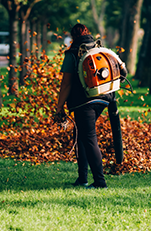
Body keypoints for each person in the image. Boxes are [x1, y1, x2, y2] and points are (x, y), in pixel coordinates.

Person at [56, 23, 114, 189]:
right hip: (104, 98)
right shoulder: (99, 48)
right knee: (80, 134)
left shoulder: (73, 53)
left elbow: (66, 84)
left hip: (85, 102)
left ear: (73, 37)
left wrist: (59, 106)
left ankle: (100, 182)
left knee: (89, 138)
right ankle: (82, 178)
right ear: (88, 33)